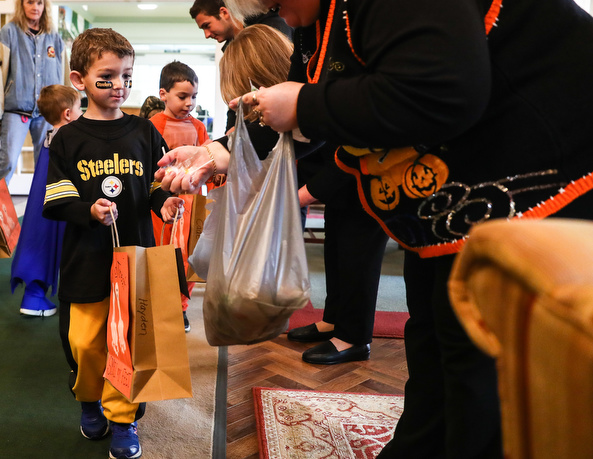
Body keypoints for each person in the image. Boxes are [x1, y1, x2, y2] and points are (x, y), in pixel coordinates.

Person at [158, 0, 593, 457]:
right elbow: (313, 93)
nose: (272, 11)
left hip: (538, 175)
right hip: (460, 200)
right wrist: (224, 151)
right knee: (431, 337)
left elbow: (439, 88)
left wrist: (305, 104)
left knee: (477, 359)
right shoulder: (316, 18)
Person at [42, 28, 184, 459]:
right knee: (85, 344)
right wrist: (89, 210)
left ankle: (124, 419)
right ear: (78, 79)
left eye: (126, 76)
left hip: (136, 258)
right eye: (107, 76)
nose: (119, 85)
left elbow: (155, 185)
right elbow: (56, 198)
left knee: (131, 343)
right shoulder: (66, 138)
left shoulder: (144, 133)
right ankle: (89, 399)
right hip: (85, 259)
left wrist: (167, 202)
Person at [218, 23, 389, 364]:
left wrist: (299, 197)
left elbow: (345, 154)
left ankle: (353, 337)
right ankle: (333, 320)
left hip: (367, 179)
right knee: (336, 249)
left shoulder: (320, 97)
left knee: (357, 254)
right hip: (338, 183)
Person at [149, 60, 210, 332]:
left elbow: (209, 161)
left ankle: (181, 306)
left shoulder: (198, 127)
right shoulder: (152, 126)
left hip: (192, 203)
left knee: (188, 256)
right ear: (164, 94)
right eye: (183, 96)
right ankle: (159, 303)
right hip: (161, 203)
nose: (189, 103)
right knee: (161, 253)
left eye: (194, 96)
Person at [10, 84, 82, 317]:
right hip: (60, 205)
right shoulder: (70, 138)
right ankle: (41, 300)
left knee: (38, 245)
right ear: (68, 114)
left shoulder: (49, 136)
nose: (81, 113)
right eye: (80, 108)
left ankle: (34, 297)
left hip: (41, 206)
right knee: (63, 247)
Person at [0, 0, 64, 184]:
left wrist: (65, 110)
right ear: (21, 4)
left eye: (39, 3)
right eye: (30, 2)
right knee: (8, 162)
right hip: (15, 110)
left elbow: (63, 74)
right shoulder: (9, 32)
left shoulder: (53, 35)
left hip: (47, 113)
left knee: (46, 164)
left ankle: (42, 211)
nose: (35, 7)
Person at [190, 0, 293, 133]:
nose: (207, 35)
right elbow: (235, 98)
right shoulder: (231, 49)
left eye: (207, 25)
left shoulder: (271, 30)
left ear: (224, 12)